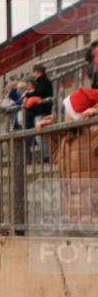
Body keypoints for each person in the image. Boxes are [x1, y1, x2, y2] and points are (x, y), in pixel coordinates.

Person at [40, 88, 98, 224]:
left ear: (77, 113)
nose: (65, 114)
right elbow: (56, 157)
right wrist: (50, 131)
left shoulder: (93, 134)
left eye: (67, 110)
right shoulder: (68, 138)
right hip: (75, 211)